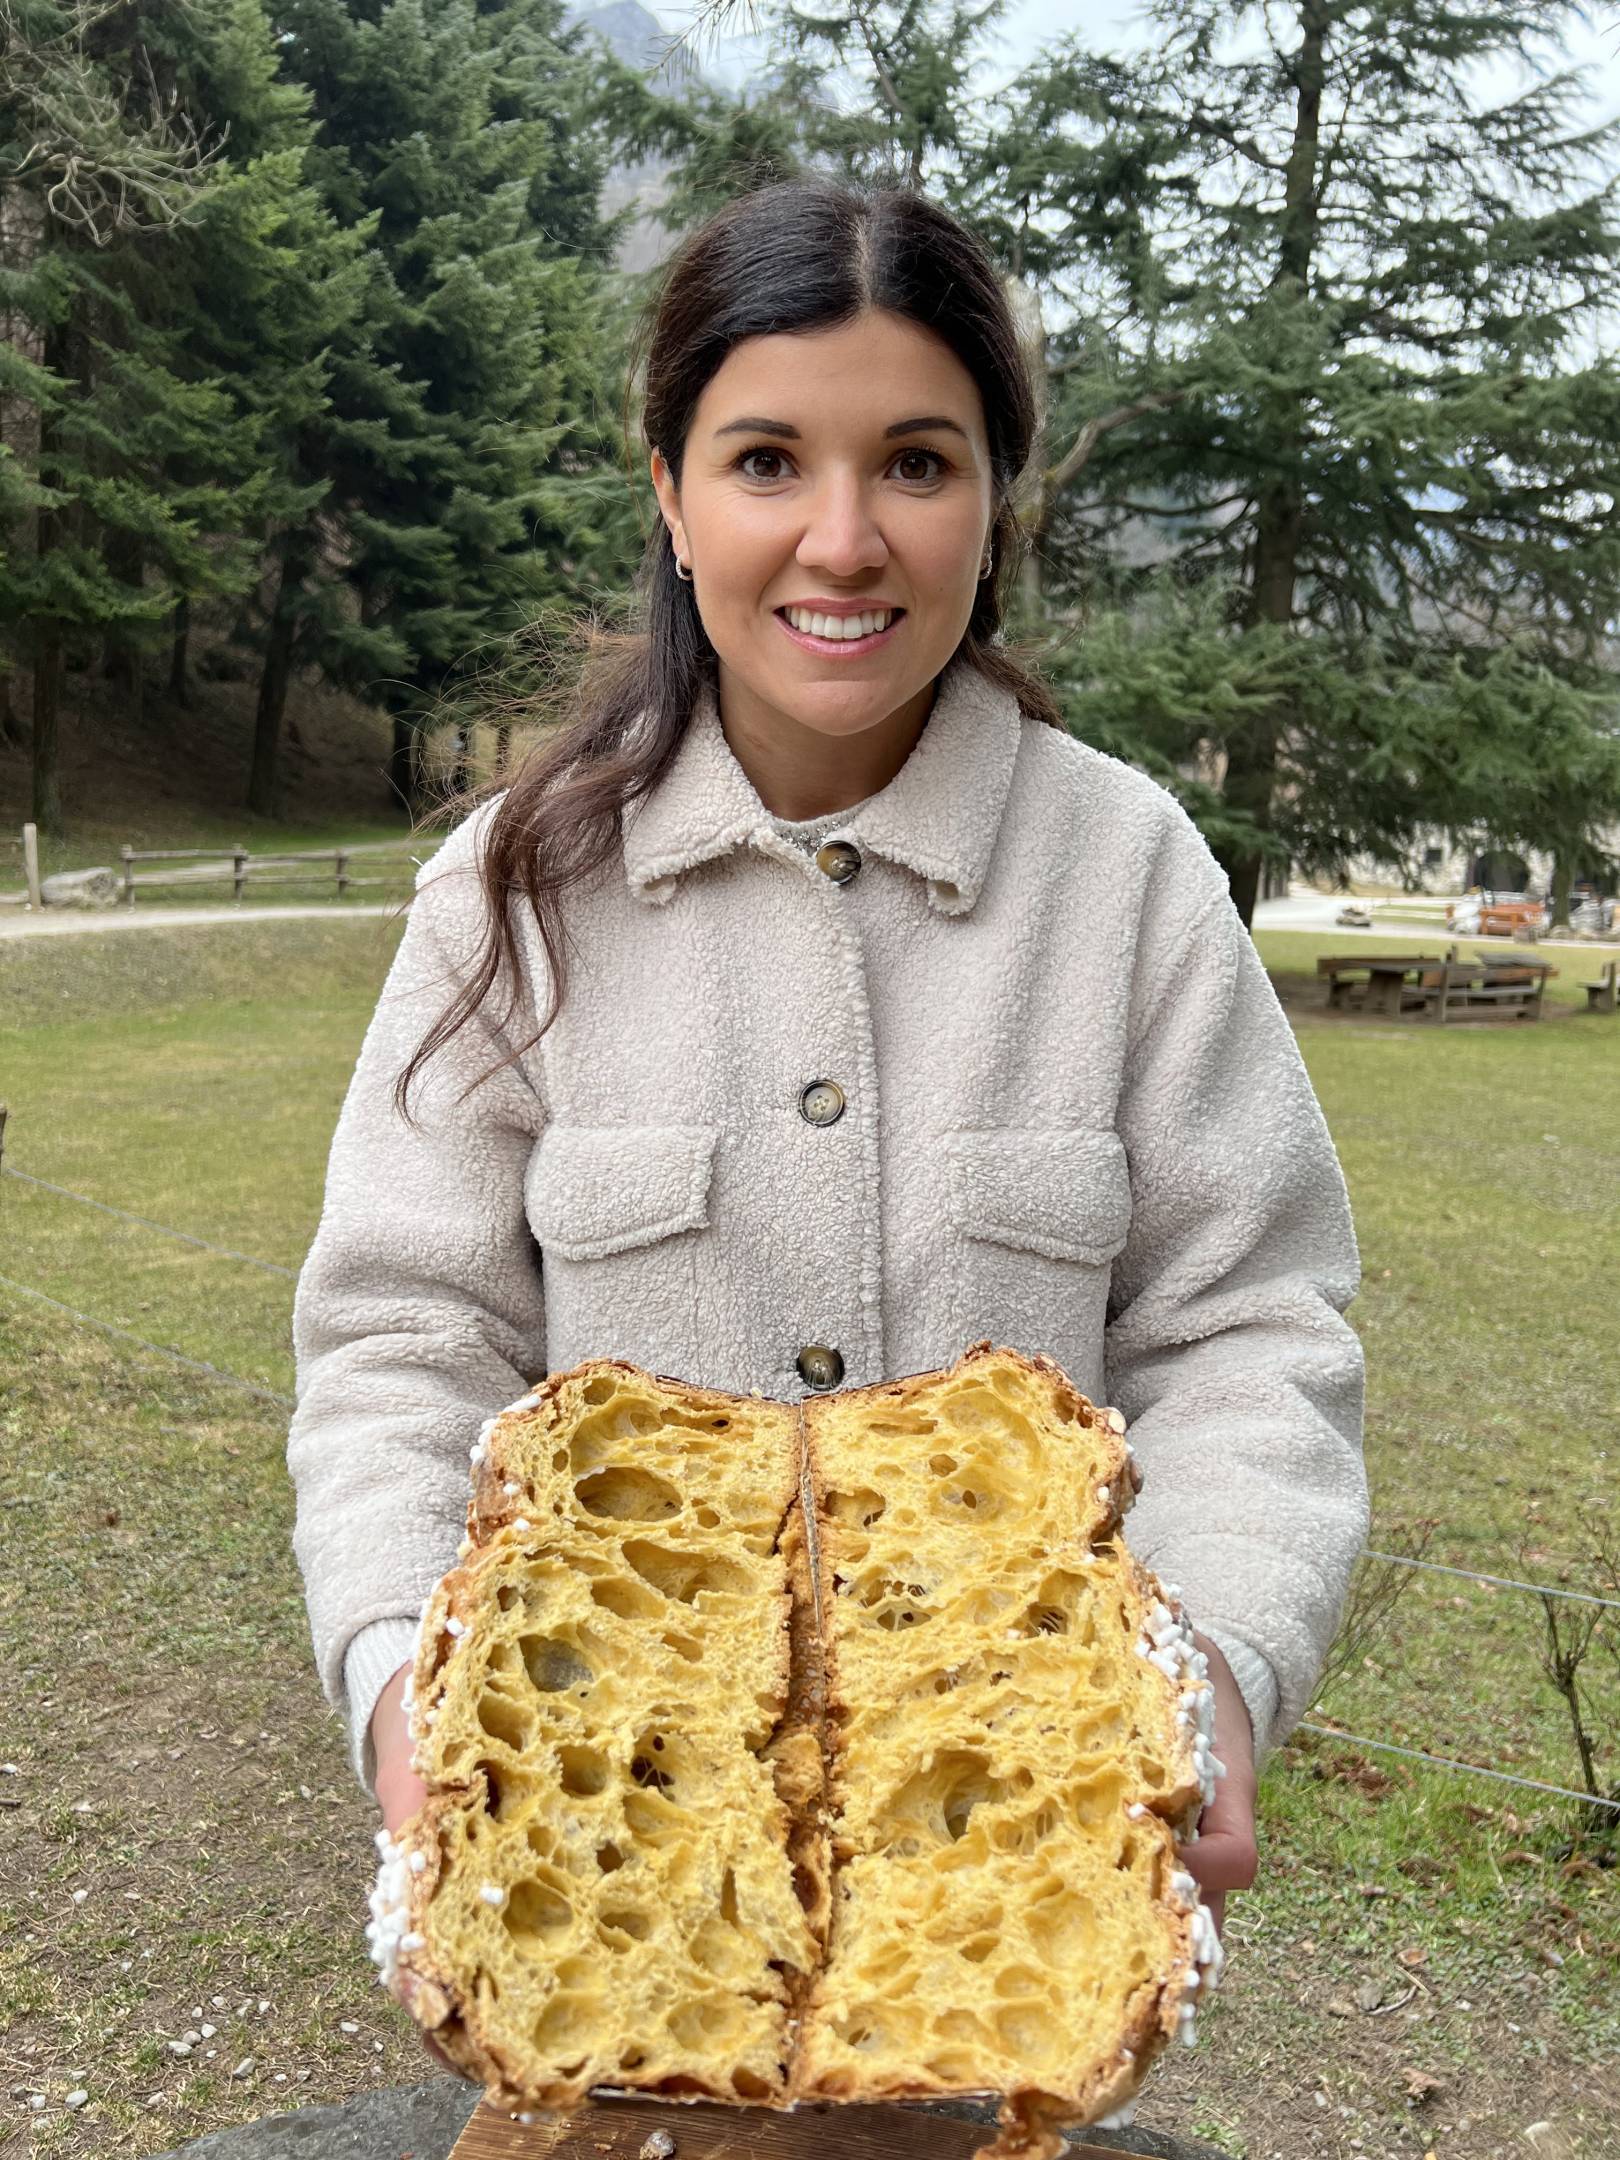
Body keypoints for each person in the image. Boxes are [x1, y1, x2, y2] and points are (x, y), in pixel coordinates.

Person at [287, 176, 1367, 2081]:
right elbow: (399, 1340)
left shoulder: (1131, 882)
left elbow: (1250, 1332)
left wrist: (1205, 1675)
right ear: (671, 492)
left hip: (1011, 1941)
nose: (844, 540)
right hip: (613, 1942)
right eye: (769, 457)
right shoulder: (511, 894)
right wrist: (404, 1689)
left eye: (920, 464)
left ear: (996, 504)